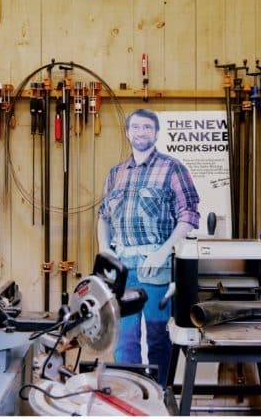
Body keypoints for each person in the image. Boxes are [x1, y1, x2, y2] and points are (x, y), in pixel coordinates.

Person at [97, 108, 200, 387]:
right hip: (122, 270)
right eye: (136, 128)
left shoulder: (172, 168)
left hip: (156, 267)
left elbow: (189, 217)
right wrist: (105, 250)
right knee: (124, 337)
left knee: (158, 336)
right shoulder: (116, 173)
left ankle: (159, 395)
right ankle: (132, 395)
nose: (141, 133)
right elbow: (103, 217)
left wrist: (163, 251)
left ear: (156, 133)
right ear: (128, 133)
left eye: (147, 128)